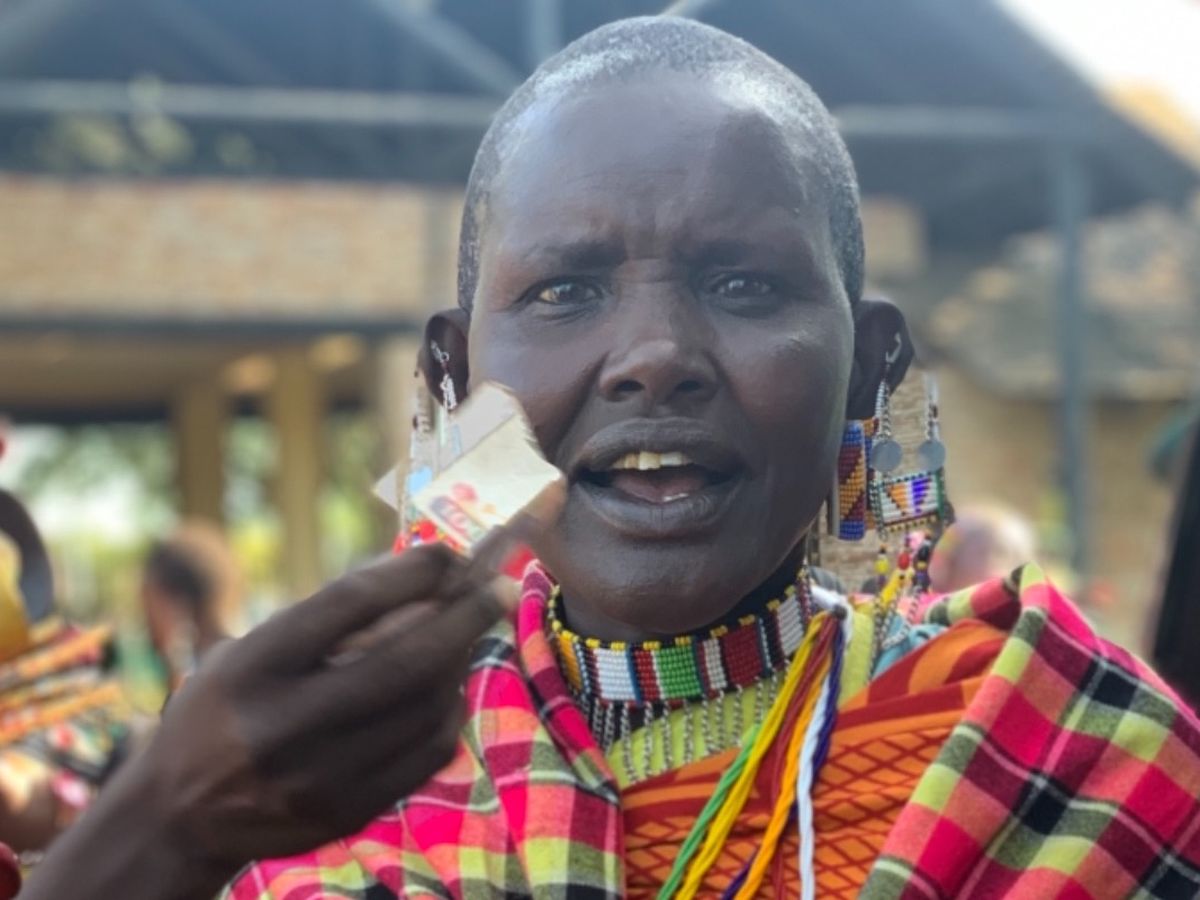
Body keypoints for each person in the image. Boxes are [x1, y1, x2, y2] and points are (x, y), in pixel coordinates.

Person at [23, 17, 1200, 899]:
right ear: (454, 380)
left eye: (743, 283)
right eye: (564, 290)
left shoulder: (1070, 751)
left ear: (869, 366)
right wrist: (159, 832)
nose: (655, 358)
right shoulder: (315, 775)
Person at [140, 521, 240, 692]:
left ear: (173, 604)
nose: (145, 623)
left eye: (149, 605)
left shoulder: (203, 680)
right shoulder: (234, 659)